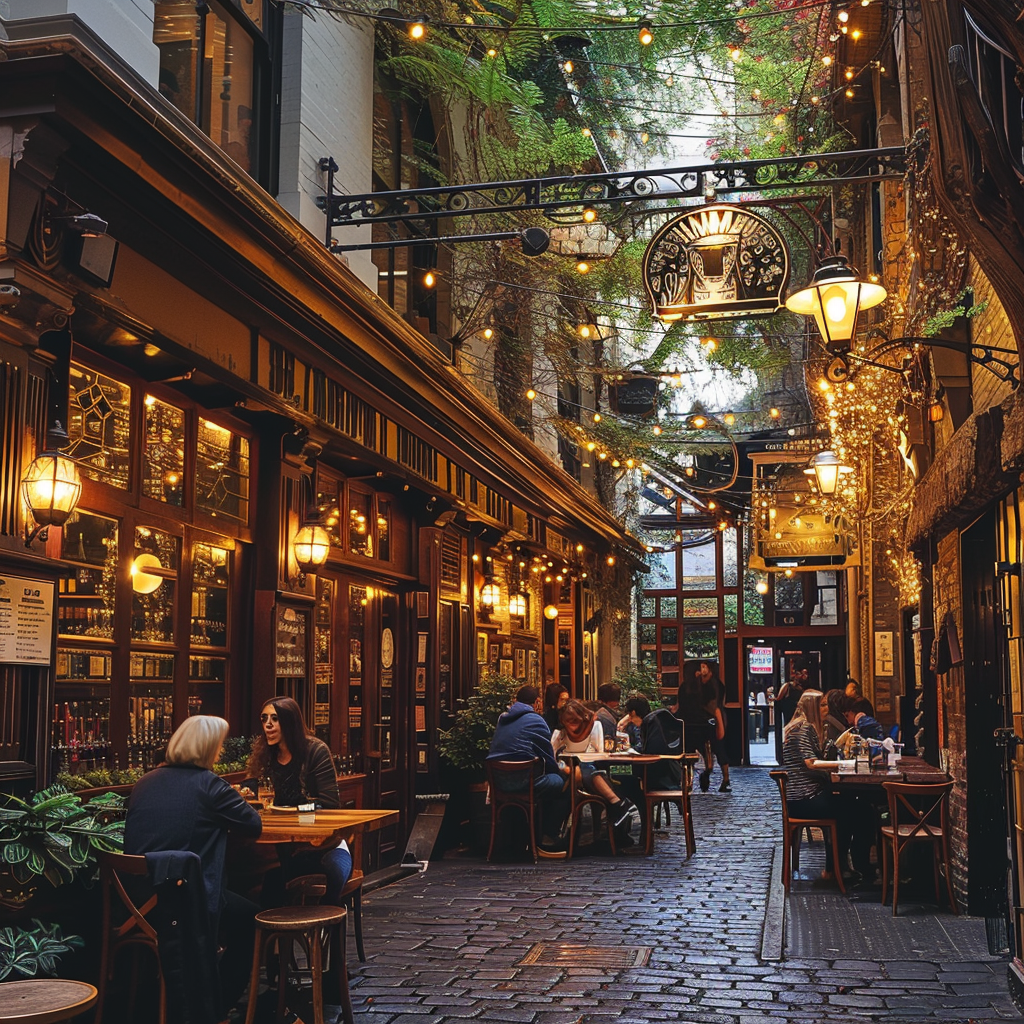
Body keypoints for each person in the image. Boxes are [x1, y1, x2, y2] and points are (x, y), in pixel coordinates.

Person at [125, 715, 262, 1017]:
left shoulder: (145, 782)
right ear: (208, 749)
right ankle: (215, 1005)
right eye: (219, 746)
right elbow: (253, 825)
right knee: (251, 918)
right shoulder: (210, 786)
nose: (221, 752)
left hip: (137, 902)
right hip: (183, 902)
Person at [247, 697, 352, 907]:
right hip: (285, 849)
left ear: (289, 722)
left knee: (333, 884)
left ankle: (331, 933)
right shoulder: (264, 753)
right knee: (264, 889)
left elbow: (330, 803)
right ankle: (274, 937)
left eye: (275, 719)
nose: (267, 724)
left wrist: (292, 811)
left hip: (324, 846)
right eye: (264, 718)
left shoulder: (315, 751)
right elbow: (251, 794)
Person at [781, 689, 873, 881]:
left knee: (851, 806)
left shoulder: (802, 727)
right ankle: (838, 869)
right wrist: (844, 764)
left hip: (802, 797)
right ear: (812, 707)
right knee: (858, 810)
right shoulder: (803, 728)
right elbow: (811, 763)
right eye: (822, 705)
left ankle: (839, 867)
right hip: (805, 798)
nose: (826, 708)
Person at [487, 684, 569, 847]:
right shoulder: (537, 720)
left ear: (516, 700)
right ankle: (548, 835)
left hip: (499, 781)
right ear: (537, 702)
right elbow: (548, 758)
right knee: (562, 783)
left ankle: (531, 836)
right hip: (525, 781)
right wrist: (559, 770)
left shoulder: (502, 718)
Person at [551, 699, 636, 829]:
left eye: (575, 720)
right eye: (567, 720)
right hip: (568, 774)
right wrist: (566, 768)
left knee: (588, 766)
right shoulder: (560, 734)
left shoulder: (594, 727)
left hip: (592, 771)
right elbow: (552, 758)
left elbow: (597, 754)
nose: (571, 724)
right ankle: (618, 804)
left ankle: (615, 813)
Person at [775, 657, 809, 762]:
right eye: (802, 674)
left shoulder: (806, 688)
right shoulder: (787, 686)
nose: (804, 676)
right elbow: (778, 700)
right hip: (789, 716)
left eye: (805, 674)